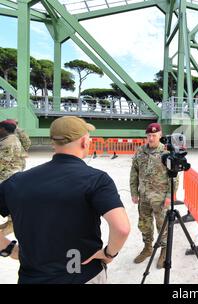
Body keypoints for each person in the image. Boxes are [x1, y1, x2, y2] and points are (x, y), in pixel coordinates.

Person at [0, 116, 130, 284]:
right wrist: (109, 253)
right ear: (84, 142)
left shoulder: (17, 182)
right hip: (81, 274)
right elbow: (122, 228)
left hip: (32, 277)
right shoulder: (96, 180)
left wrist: (8, 248)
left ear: (54, 142)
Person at [130, 123, 179, 268]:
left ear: (160, 135)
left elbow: (174, 177)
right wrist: (134, 192)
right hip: (144, 196)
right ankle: (147, 248)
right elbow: (134, 173)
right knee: (144, 224)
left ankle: (164, 251)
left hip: (160, 197)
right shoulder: (140, 151)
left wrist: (170, 195)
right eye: (149, 135)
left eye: (154, 135)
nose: (151, 138)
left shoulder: (166, 152)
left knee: (161, 225)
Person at [0, 120, 25, 236]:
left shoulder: (8, 142)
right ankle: (10, 222)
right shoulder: (9, 139)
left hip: (8, 174)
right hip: (9, 173)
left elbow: (3, 161)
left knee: (7, 198)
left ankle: (12, 224)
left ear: (3, 129)